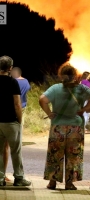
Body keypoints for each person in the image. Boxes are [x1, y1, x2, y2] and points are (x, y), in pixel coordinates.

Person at [39, 64, 90, 190]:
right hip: (75, 127)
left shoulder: (55, 88)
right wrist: (84, 109)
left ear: (61, 75)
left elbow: (42, 99)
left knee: (55, 154)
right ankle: (69, 183)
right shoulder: (81, 88)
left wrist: (49, 113)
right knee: (74, 156)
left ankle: (52, 182)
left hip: (58, 127)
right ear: (74, 75)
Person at [0, 55, 31, 186]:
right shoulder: (13, 82)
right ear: (10, 68)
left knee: (0, 151)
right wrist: (19, 120)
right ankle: (19, 178)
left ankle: (0, 178)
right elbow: (17, 104)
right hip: (10, 121)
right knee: (16, 150)